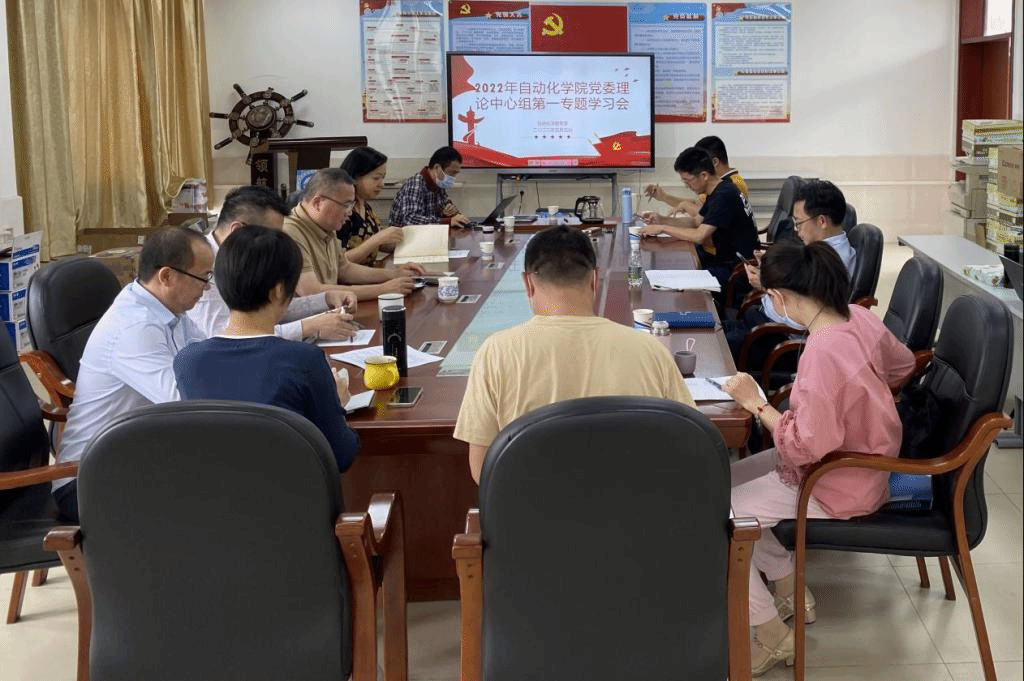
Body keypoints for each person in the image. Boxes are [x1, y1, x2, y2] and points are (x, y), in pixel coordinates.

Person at [721, 241, 914, 676]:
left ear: (779, 297)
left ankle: (771, 633)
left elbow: (805, 447)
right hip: (858, 461)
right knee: (726, 483)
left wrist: (756, 403)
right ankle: (791, 590)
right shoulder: (859, 317)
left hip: (839, 479)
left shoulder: (823, 353)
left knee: (722, 517)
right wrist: (865, 406)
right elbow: (902, 367)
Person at [454, 225, 696, 483]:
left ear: (528, 283)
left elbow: (483, 471)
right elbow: (690, 445)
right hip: (634, 504)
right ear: (595, 279)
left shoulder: (496, 353)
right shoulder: (651, 350)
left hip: (533, 508)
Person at [52, 225, 214, 522]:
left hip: (135, 454)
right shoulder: (135, 327)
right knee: (223, 487)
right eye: (203, 278)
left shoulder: (169, 310)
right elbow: (185, 403)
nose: (208, 288)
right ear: (166, 276)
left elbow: (210, 356)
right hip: (89, 481)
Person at [174, 225, 359, 473]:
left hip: (214, 495)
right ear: (279, 291)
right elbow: (341, 455)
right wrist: (338, 404)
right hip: (295, 495)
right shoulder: (304, 360)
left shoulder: (187, 362)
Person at [188, 184, 359, 342]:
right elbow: (231, 338)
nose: (277, 245)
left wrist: (325, 299)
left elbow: (266, 309)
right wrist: (309, 327)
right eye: (269, 236)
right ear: (238, 231)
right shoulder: (200, 267)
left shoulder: (247, 259)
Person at [725, 179, 857, 357]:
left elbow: (810, 313)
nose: (796, 229)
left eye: (799, 222)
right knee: (709, 329)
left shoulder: (833, 261)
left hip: (779, 337)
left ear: (822, 221)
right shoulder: (818, 248)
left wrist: (766, 285)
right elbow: (798, 287)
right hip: (763, 322)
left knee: (711, 347)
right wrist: (770, 272)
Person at [283, 168, 424, 301]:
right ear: (318, 203)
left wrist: (394, 274)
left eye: (351, 205)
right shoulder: (289, 232)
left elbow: (344, 268)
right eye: (346, 205)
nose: (349, 212)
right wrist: (383, 289)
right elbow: (311, 292)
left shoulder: (326, 224)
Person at [639, 147, 758, 288]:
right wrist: (662, 220)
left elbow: (699, 235)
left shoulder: (724, 195)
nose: (687, 186)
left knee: (676, 280)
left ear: (704, 175)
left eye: (688, 181)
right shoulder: (719, 190)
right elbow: (696, 221)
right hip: (723, 261)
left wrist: (663, 228)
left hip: (736, 271)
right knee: (673, 270)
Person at [644, 135, 749, 216]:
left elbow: (705, 216)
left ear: (714, 162)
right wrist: (663, 196)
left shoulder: (733, 185)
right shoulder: (719, 183)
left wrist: (665, 224)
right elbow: (698, 205)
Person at [338, 146, 405, 265]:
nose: (381, 184)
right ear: (355, 177)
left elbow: (380, 243)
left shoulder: (365, 206)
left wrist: (404, 240)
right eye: (376, 178)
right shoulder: (343, 211)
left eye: (383, 178)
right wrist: (378, 239)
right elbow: (339, 262)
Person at [389, 146, 472, 228]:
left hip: (428, 233)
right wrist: (446, 221)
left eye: (455, 174)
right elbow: (410, 220)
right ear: (437, 167)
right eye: (451, 173)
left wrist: (450, 214)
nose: (453, 178)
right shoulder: (415, 185)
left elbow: (448, 211)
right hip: (405, 235)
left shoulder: (439, 185)